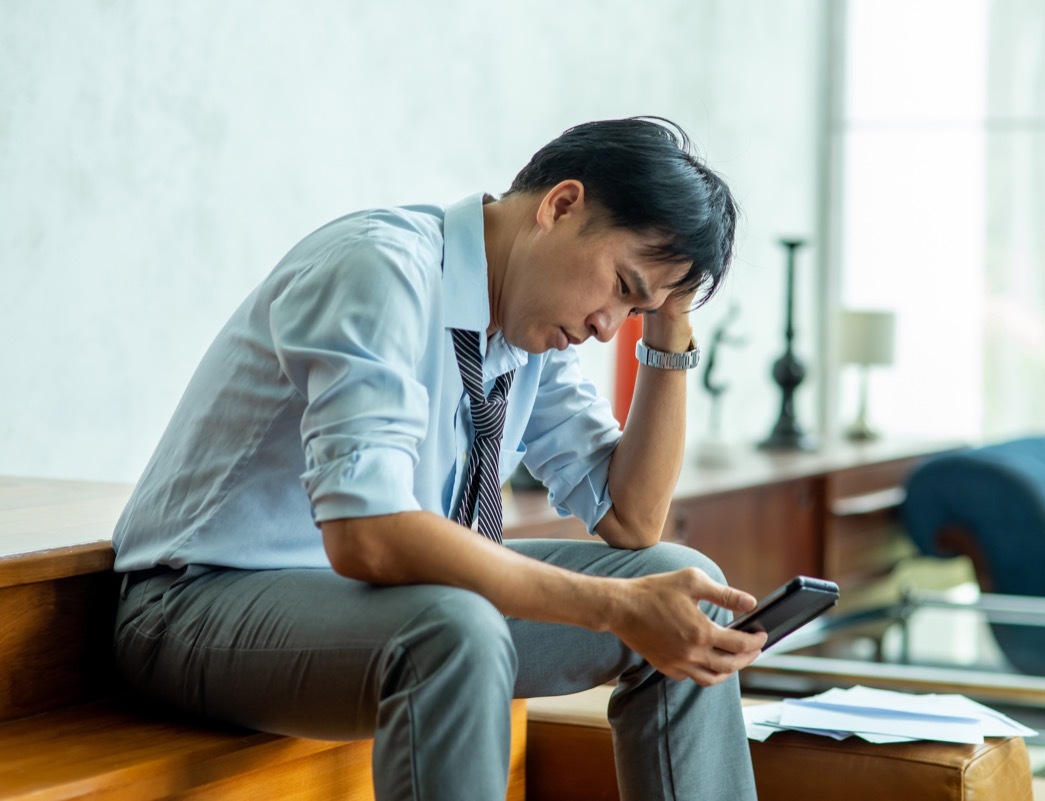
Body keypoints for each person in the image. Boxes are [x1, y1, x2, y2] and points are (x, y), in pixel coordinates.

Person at [112, 116, 766, 800]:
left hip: (377, 608)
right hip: (194, 604)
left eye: (634, 310)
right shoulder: (380, 269)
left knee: (688, 594)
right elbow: (368, 535)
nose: (608, 327)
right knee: (455, 629)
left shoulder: (528, 333)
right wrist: (611, 605)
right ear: (561, 205)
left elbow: (632, 522)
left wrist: (670, 320)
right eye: (623, 287)